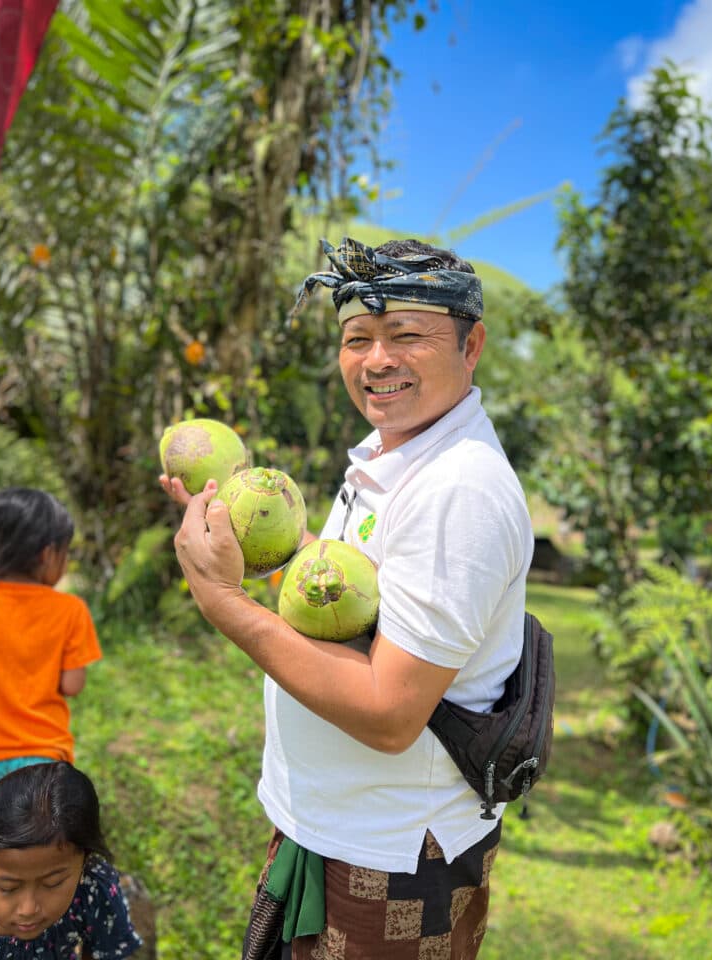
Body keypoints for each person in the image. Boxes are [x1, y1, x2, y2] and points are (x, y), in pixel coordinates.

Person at [162, 236, 535, 958]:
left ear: (471, 345)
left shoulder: (457, 489)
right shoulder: (392, 453)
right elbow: (354, 604)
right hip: (338, 829)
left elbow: (390, 712)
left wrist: (223, 602)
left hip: (392, 856)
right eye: (357, 337)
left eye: (406, 336)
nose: (376, 360)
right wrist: (253, 533)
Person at [0, 488, 102, 830]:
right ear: (47, 555)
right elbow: (73, 684)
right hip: (46, 770)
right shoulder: (69, 610)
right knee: (44, 871)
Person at [0, 760, 142, 958]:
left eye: (53, 883)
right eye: (8, 887)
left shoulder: (93, 886)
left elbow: (105, 951)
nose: (28, 909)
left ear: (84, 863)